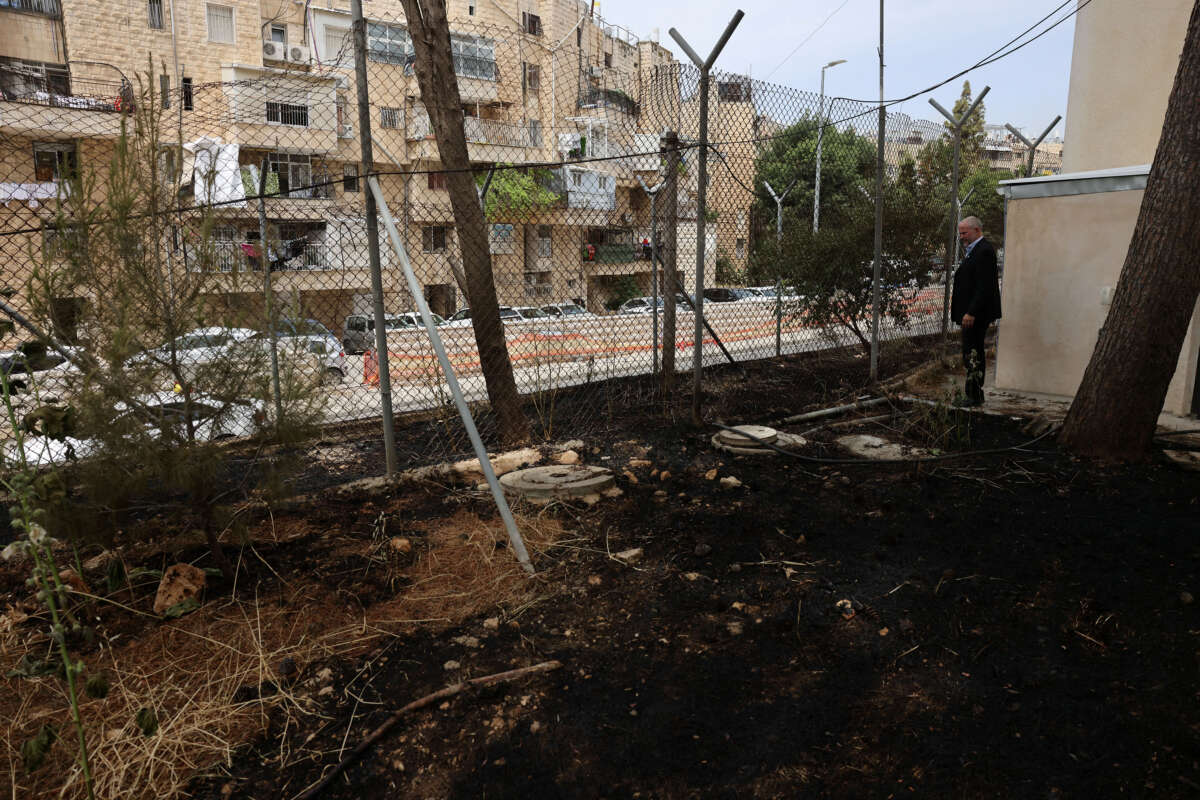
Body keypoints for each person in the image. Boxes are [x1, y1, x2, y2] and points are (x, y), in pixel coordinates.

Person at [950, 216, 1001, 406]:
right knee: (971, 351)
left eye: (964, 233)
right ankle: (972, 394)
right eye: (960, 233)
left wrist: (971, 312)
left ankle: (973, 395)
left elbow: (984, 287)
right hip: (972, 313)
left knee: (972, 352)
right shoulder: (975, 250)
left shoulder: (984, 251)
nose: (962, 237)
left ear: (976, 230)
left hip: (976, 314)